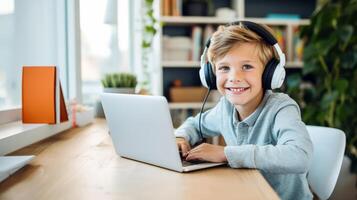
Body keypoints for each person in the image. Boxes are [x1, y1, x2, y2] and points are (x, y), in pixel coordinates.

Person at [175, 21, 313, 200]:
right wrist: (181, 137)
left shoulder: (281, 108)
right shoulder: (225, 107)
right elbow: (195, 124)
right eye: (224, 68)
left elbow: (300, 156)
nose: (234, 78)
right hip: (246, 192)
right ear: (211, 74)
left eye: (247, 67)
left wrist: (226, 154)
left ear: (269, 74)